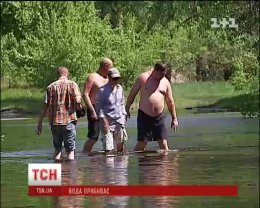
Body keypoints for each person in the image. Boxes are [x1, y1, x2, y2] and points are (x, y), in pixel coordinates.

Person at [125, 61, 179, 151]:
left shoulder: (165, 82)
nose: (161, 78)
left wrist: (174, 118)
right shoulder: (143, 78)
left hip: (159, 117)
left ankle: (164, 164)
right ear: (155, 71)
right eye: (160, 75)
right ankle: (138, 160)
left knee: (163, 143)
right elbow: (132, 94)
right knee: (142, 142)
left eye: (163, 75)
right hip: (144, 115)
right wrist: (127, 108)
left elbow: (170, 101)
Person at [35, 67, 82, 161]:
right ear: (67, 73)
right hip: (68, 121)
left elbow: (45, 106)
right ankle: (70, 173)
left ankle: (56, 171)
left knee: (57, 149)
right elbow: (77, 101)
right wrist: (80, 109)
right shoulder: (72, 84)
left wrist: (39, 123)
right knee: (70, 150)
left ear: (57, 74)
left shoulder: (50, 86)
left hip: (54, 123)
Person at [82, 58, 113, 153]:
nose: (111, 70)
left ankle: (108, 154)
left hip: (107, 108)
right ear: (105, 66)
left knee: (109, 133)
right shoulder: (92, 77)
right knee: (93, 137)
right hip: (95, 108)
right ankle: (84, 155)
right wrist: (92, 111)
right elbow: (85, 94)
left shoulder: (109, 78)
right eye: (110, 68)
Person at [96, 68, 128, 153]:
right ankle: (109, 165)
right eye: (114, 78)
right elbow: (99, 109)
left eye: (117, 78)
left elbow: (122, 103)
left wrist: (124, 116)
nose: (115, 80)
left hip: (119, 121)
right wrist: (104, 122)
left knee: (120, 149)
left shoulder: (120, 88)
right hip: (107, 122)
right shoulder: (102, 90)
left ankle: (120, 166)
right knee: (108, 150)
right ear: (109, 77)